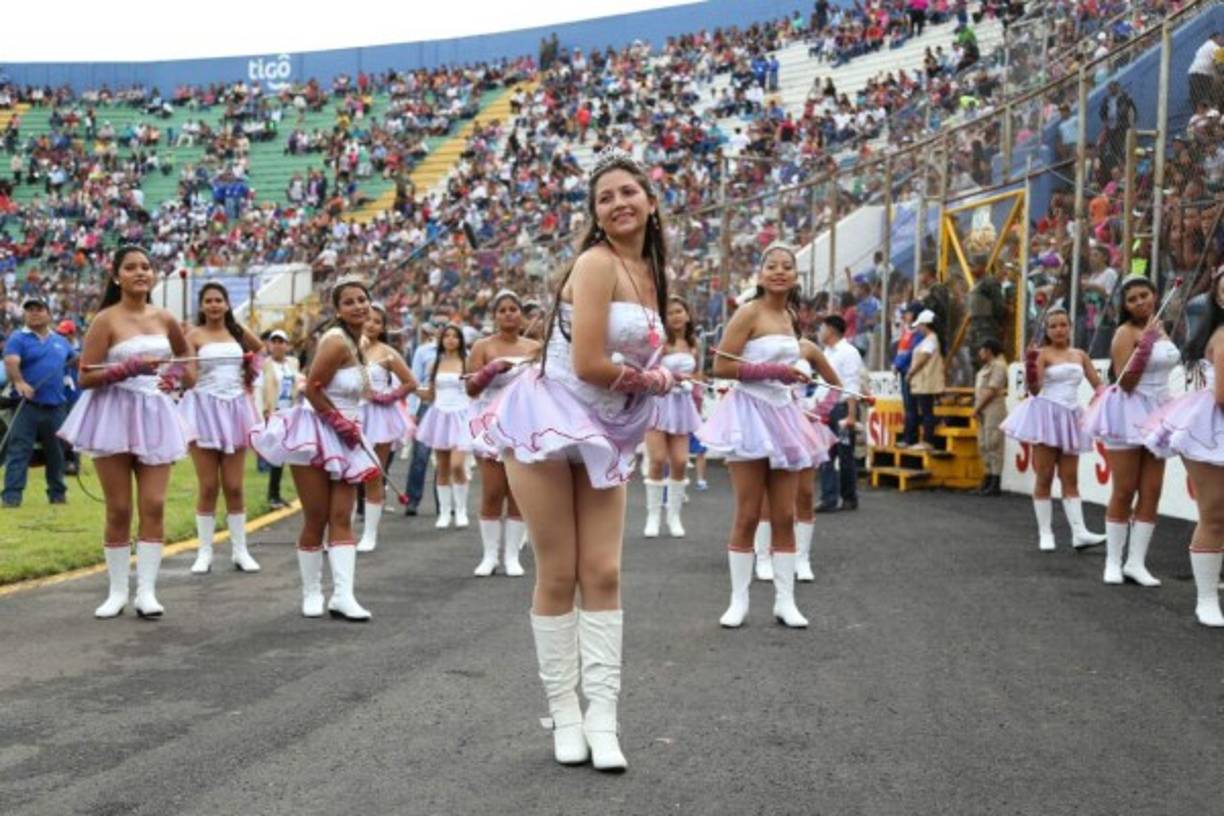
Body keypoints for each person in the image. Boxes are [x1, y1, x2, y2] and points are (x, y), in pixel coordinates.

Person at [474, 148, 673, 772]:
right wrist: (654, 381)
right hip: (548, 419)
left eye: (628, 192)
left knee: (604, 572)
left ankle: (603, 720)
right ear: (595, 214)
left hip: (604, 427)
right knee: (559, 572)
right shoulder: (595, 263)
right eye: (605, 197)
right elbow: (587, 364)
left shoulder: (651, 271)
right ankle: (565, 715)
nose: (618, 204)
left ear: (651, 202)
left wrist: (661, 371)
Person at [57, 245, 193, 619]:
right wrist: (129, 368)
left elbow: (185, 362)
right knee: (118, 508)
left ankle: (146, 591)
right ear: (116, 276)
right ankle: (117, 591)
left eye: (146, 267)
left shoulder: (165, 317)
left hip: (155, 414)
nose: (140, 273)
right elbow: (85, 376)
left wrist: (173, 377)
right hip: (112, 414)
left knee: (155, 504)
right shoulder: (106, 320)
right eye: (131, 267)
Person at [699, 243, 827, 630]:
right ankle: (738, 601)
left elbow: (791, 365)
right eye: (772, 266)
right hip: (749, 414)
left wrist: (793, 375)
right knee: (749, 513)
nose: (779, 271)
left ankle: (785, 602)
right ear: (760, 274)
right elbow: (721, 366)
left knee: (785, 515)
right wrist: (774, 371)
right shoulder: (749, 312)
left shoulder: (790, 316)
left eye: (787, 266)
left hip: (784, 415)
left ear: (796, 276)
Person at [251, 275, 379, 621]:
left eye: (362, 299)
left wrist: (352, 424)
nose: (358, 306)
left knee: (342, 516)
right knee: (317, 516)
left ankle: (343, 596)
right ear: (337, 310)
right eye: (349, 302)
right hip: (317, 432)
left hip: (347, 434)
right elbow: (312, 388)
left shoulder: (360, 342)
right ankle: (312, 592)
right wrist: (339, 423)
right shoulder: (335, 342)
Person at [1082, 275, 1179, 587]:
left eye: (1144, 295)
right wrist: (1145, 344)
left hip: (1160, 411)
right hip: (1128, 412)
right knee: (1124, 490)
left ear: (1155, 295)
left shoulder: (1163, 326)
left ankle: (1136, 563)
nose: (1140, 302)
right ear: (1124, 305)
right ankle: (1113, 561)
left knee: (1152, 491)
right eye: (1133, 299)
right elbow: (1126, 382)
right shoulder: (1124, 333)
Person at [1145, 269, 1224, 626]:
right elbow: (1222, 396)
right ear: (1218, 298)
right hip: (1212, 428)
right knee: (1215, 514)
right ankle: (1206, 600)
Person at [1000, 310, 1107, 551]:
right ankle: (1045, 532)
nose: (1059, 330)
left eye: (1063, 325)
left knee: (1070, 478)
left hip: (1071, 417)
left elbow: (1098, 385)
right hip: (1047, 416)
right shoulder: (1042, 353)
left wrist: (1102, 397)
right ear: (1046, 331)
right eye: (1053, 326)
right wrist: (1030, 364)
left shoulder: (1080, 354)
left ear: (1070, 326)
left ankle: (1079, 533)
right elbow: (1035, 390)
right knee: (1045, 476)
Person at [180, 281, 264, 575]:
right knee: (208, 486)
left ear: (227, 304)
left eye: (219, 300)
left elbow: (260, 351)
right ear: (202, 306)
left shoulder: (238, 332)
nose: (214, 305)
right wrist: (179, 368)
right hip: (203, 409)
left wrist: (251, 371)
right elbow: (189, 377)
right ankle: (204, 552)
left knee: (235, 486)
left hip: (236, 409)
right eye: (209, 300)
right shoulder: (193, 335)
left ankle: (240, 550)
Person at [755, 336, 841, 583]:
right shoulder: (761, 342)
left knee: (805, 492)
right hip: (769, 422)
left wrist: (818, 410)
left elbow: (836, 384)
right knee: (766, 493)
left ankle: (802, 558)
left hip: (802, 426)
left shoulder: (807, 348)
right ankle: (763, 557)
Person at [465, 289, 537, 576]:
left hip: (523, 423)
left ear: (521, 314)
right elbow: (470, 388)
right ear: (494, 316)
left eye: (513, 309)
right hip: (490, 424)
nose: (508, 314)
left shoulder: (535, 347)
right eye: (502, 310)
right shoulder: (482, 346)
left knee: (518, 491)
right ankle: (489, 556)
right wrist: (491, 370)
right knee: (493, 490)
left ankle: (512, 557)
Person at [2, 296, 74, 508]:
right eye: (29, 309)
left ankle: (57, 494)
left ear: (48, 314)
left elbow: (76, 360)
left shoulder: (61, 341)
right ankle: (11, 497)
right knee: (19, 451)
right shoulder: (18, 338)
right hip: (26, 406)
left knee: (57, 452)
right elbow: (11, 361)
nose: (34, 312)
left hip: (56, 406)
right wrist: (19, 382)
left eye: (39, 309)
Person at [357, 303, 417, 552]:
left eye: (377, 322)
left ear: (383, 327)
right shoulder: (346, 346)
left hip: (379, 416)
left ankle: (369, 534)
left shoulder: (387, 352)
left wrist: (387, 397)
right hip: (351, 413)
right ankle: (341, 531)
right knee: (344, 474)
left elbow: (410, 382)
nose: (371, 325)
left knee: (373, 473)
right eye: (367, 319)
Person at [642, 296, 702, 539]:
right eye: (670, 313)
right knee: (657, 459)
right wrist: (671, 379)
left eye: (679, 311)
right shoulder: (659, 342)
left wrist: (693, 386)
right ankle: (653, 516)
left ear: (687, 314)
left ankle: (674, 516)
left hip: (682, 405)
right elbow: (647, 371)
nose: (675, 316)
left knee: (680, 461)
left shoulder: (695, 343)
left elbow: (698, 374)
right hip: (659, 402)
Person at [415, 324, 472, 529]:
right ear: (441, 340)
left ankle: (461, 510)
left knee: (457, 465)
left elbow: (474, 390)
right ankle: (445, 513)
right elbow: (430, 394)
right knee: (442, 467)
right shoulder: (435, 364)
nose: (450, 339)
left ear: (460, 340)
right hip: (439, 415)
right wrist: (411, 389)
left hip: (461, 415)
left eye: (455, 336)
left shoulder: (467, 362)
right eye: (447, 336)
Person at [815, 314, 864, 512]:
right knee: (825, 454)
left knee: (845, 454)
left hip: (843, 408)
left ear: (831, 330)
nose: (819, 332)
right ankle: (828, 498)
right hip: (827, 408)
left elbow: (852, 384)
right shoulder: (826, 353)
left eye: (821, 328)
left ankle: (849, 497)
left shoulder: (848, 352)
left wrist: (851, 415)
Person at [403, 321, 439, 516]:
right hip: (425, 406)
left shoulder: (462, 354)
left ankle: (445, 504)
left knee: (445, 459)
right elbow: (414, 381)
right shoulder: (423, 351)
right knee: (420, 456)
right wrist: (412, 412)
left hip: (450, 408)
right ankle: (412, 500)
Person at [260, 330, 299, 509]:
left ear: (287, 345)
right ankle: (272, 495)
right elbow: (261, 389)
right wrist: (265, 411)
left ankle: (277, 493)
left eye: (281, 341)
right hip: (274, 413)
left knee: (287, 454)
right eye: (274, 341)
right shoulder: (265, 365)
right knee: (277, 453)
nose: (277, 345)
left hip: (291, 412)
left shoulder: (293, 363)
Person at [971, 339, 1008, 496]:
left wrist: (977, 408)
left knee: (994, 443)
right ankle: (987, 478)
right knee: (983, 444)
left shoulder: (998, 366)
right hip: (983, 410)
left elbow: (992, 390)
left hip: (993, 408)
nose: (980, 353)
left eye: (982, 350)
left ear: (989, 350)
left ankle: (995, 481)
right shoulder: (985, 367)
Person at [905, 309, 945, 451]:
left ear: (925, 325)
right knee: (926, 410)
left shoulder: (931, 339)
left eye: (920, 325)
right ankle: (926, 440)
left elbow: (923, 358)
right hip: (924, 381)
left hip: (926, 381)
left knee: (927, 411)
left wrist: (911, 372)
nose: (919, 329)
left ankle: (928, 441)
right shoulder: (930, 339)